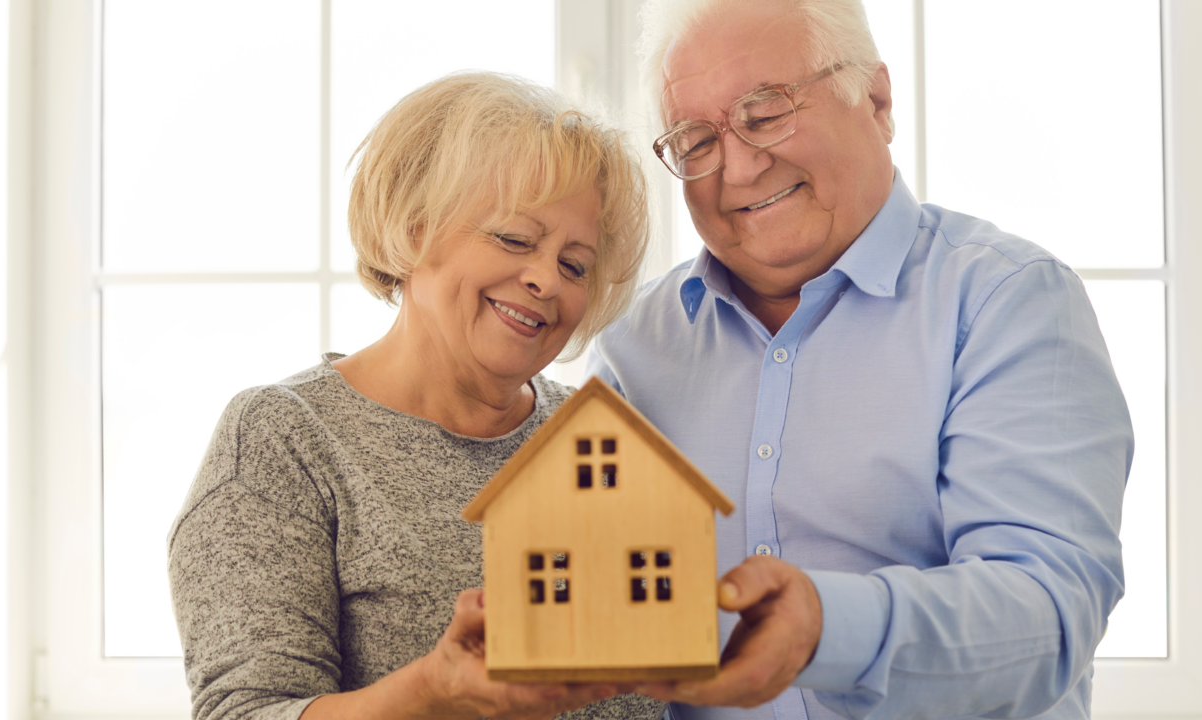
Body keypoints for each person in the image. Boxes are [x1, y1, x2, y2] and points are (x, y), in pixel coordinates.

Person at [588, 1, 1133, 719]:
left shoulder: (1005, 301)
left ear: (875, 101)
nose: (741, 168)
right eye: (696, 141)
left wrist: (827, 627)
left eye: (765, 112)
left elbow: (1045, 611)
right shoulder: (631, 348)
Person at [167, 72, 665, 720]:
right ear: (412, 227)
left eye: (575, 265)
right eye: (514, 239)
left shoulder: (601, 442)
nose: (546, 279)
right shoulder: (284, 440)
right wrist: (432, 692)